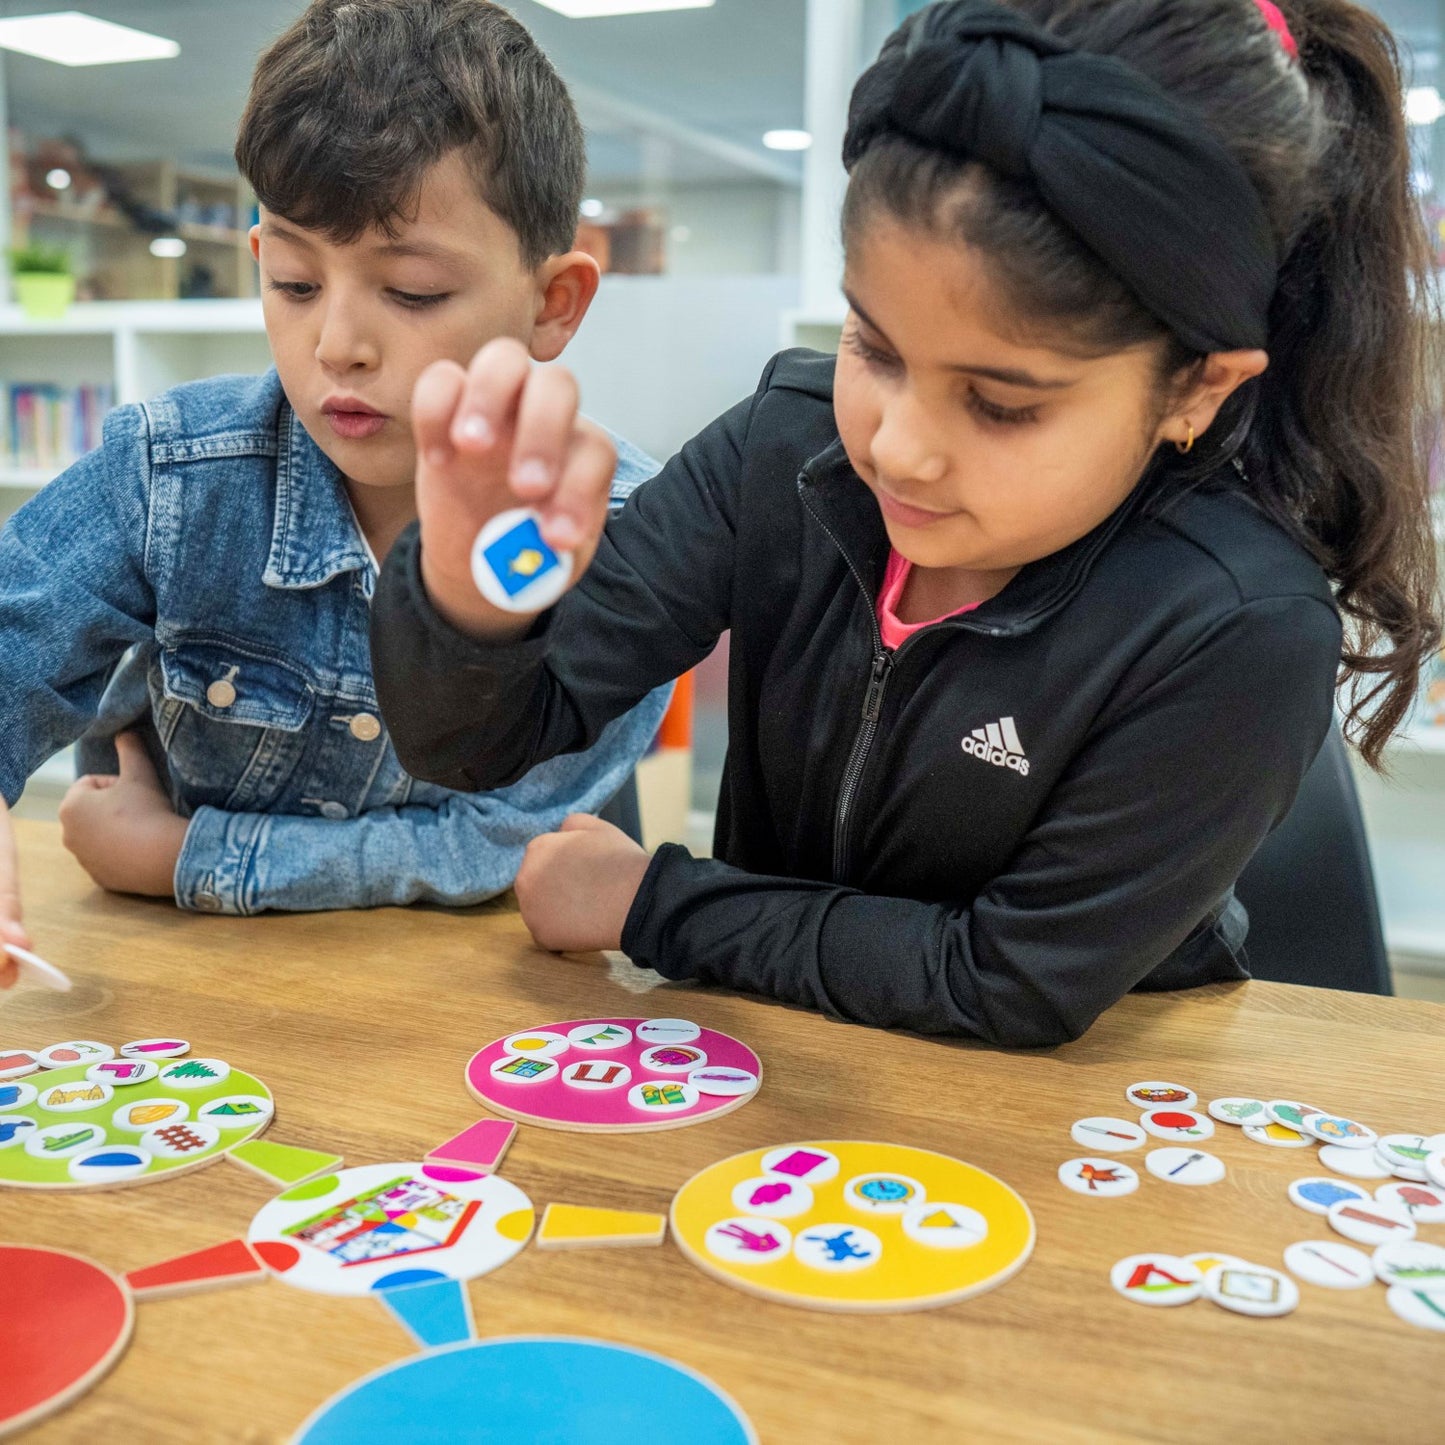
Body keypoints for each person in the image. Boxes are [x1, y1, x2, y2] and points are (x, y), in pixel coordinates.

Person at [369, 0, 1440, 1045]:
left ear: (1196, 388)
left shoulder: (1237, 620)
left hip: (1062, 1111)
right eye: (872, 348)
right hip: (768, 1063)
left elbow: (1007, 981)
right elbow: (481, 742)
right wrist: (466, 596)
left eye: (1000, 404)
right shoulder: (784, 448)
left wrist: (652, 901)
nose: (897, 448)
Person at [0, 0, 668, 987]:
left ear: (551, 303)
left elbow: (501, 839)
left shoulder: (622, 538)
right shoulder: (173, 473)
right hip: (189, 994)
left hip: (473, 1004)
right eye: (296, 284)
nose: (337, 345)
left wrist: (184, 854)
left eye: (412, 292)